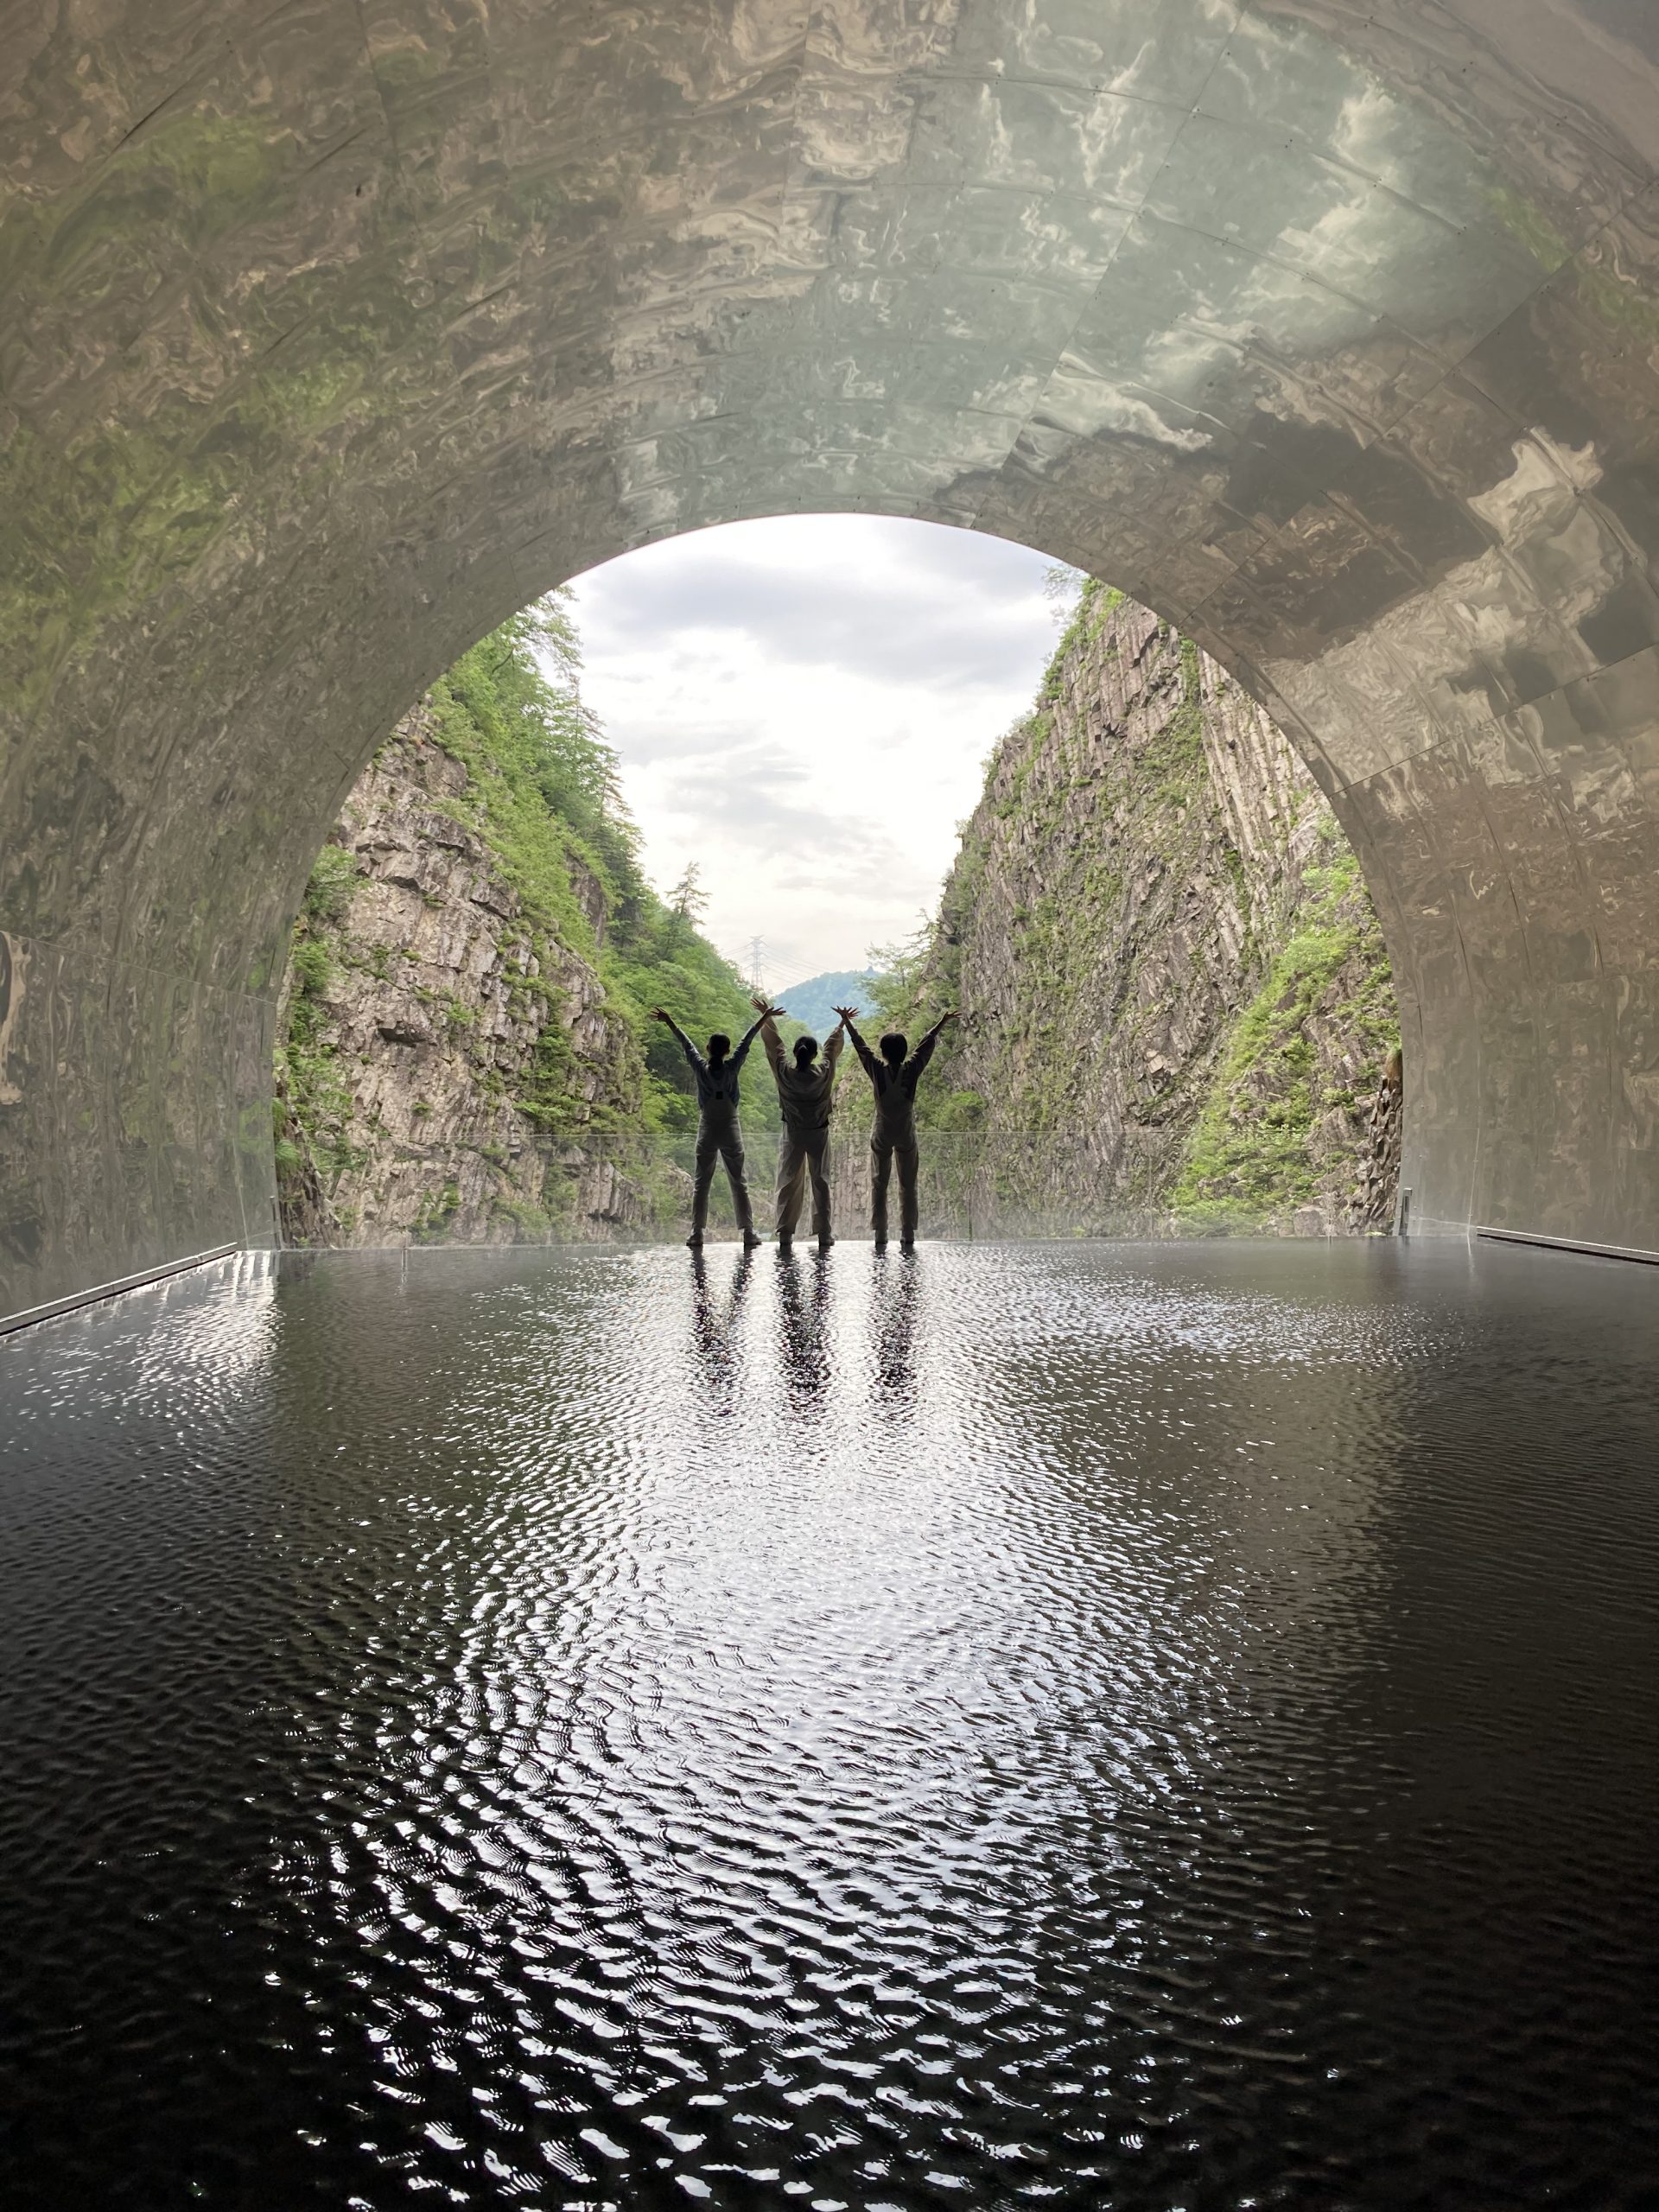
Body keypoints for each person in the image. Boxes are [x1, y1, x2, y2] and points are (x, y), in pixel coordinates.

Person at [834, 1004, 958, 1252]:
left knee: (879, 1181)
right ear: (903, 1052)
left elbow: (861, 1048)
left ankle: (880, 1233)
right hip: (905, 1131)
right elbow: (926, 1044)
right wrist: (942, 1022)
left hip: (881, 1130)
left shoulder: (877, 1071)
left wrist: (847, 1022)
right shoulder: (912, 1070)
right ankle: (908, 1232)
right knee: (908, 1183)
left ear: (884, 1052)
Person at [654, 1004, 777, 1249]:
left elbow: (687, 1046)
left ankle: (697, 1233)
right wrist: (765, 1016)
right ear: (727, 1050)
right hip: (731, 1128)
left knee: (702, 1183)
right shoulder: (733, 1067)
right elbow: (747, 1041)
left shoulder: (700, 1068)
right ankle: (748, 1232)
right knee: (738, 1182)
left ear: (709, 1049)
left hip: (707, 1127)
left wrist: (670, 1021)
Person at [751, 995, 846, 1250]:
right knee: (821, 1180)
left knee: (788, 1180)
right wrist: (842, 1024)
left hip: (792, 1133)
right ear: (814, 1055)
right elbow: (832, 1051)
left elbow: (775, 1048)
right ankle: (824, 1233)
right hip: (818, 1133)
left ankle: (785, 1234)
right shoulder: (824, 1073)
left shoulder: (784, 1073)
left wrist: (767, 1018)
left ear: (796, 1053)